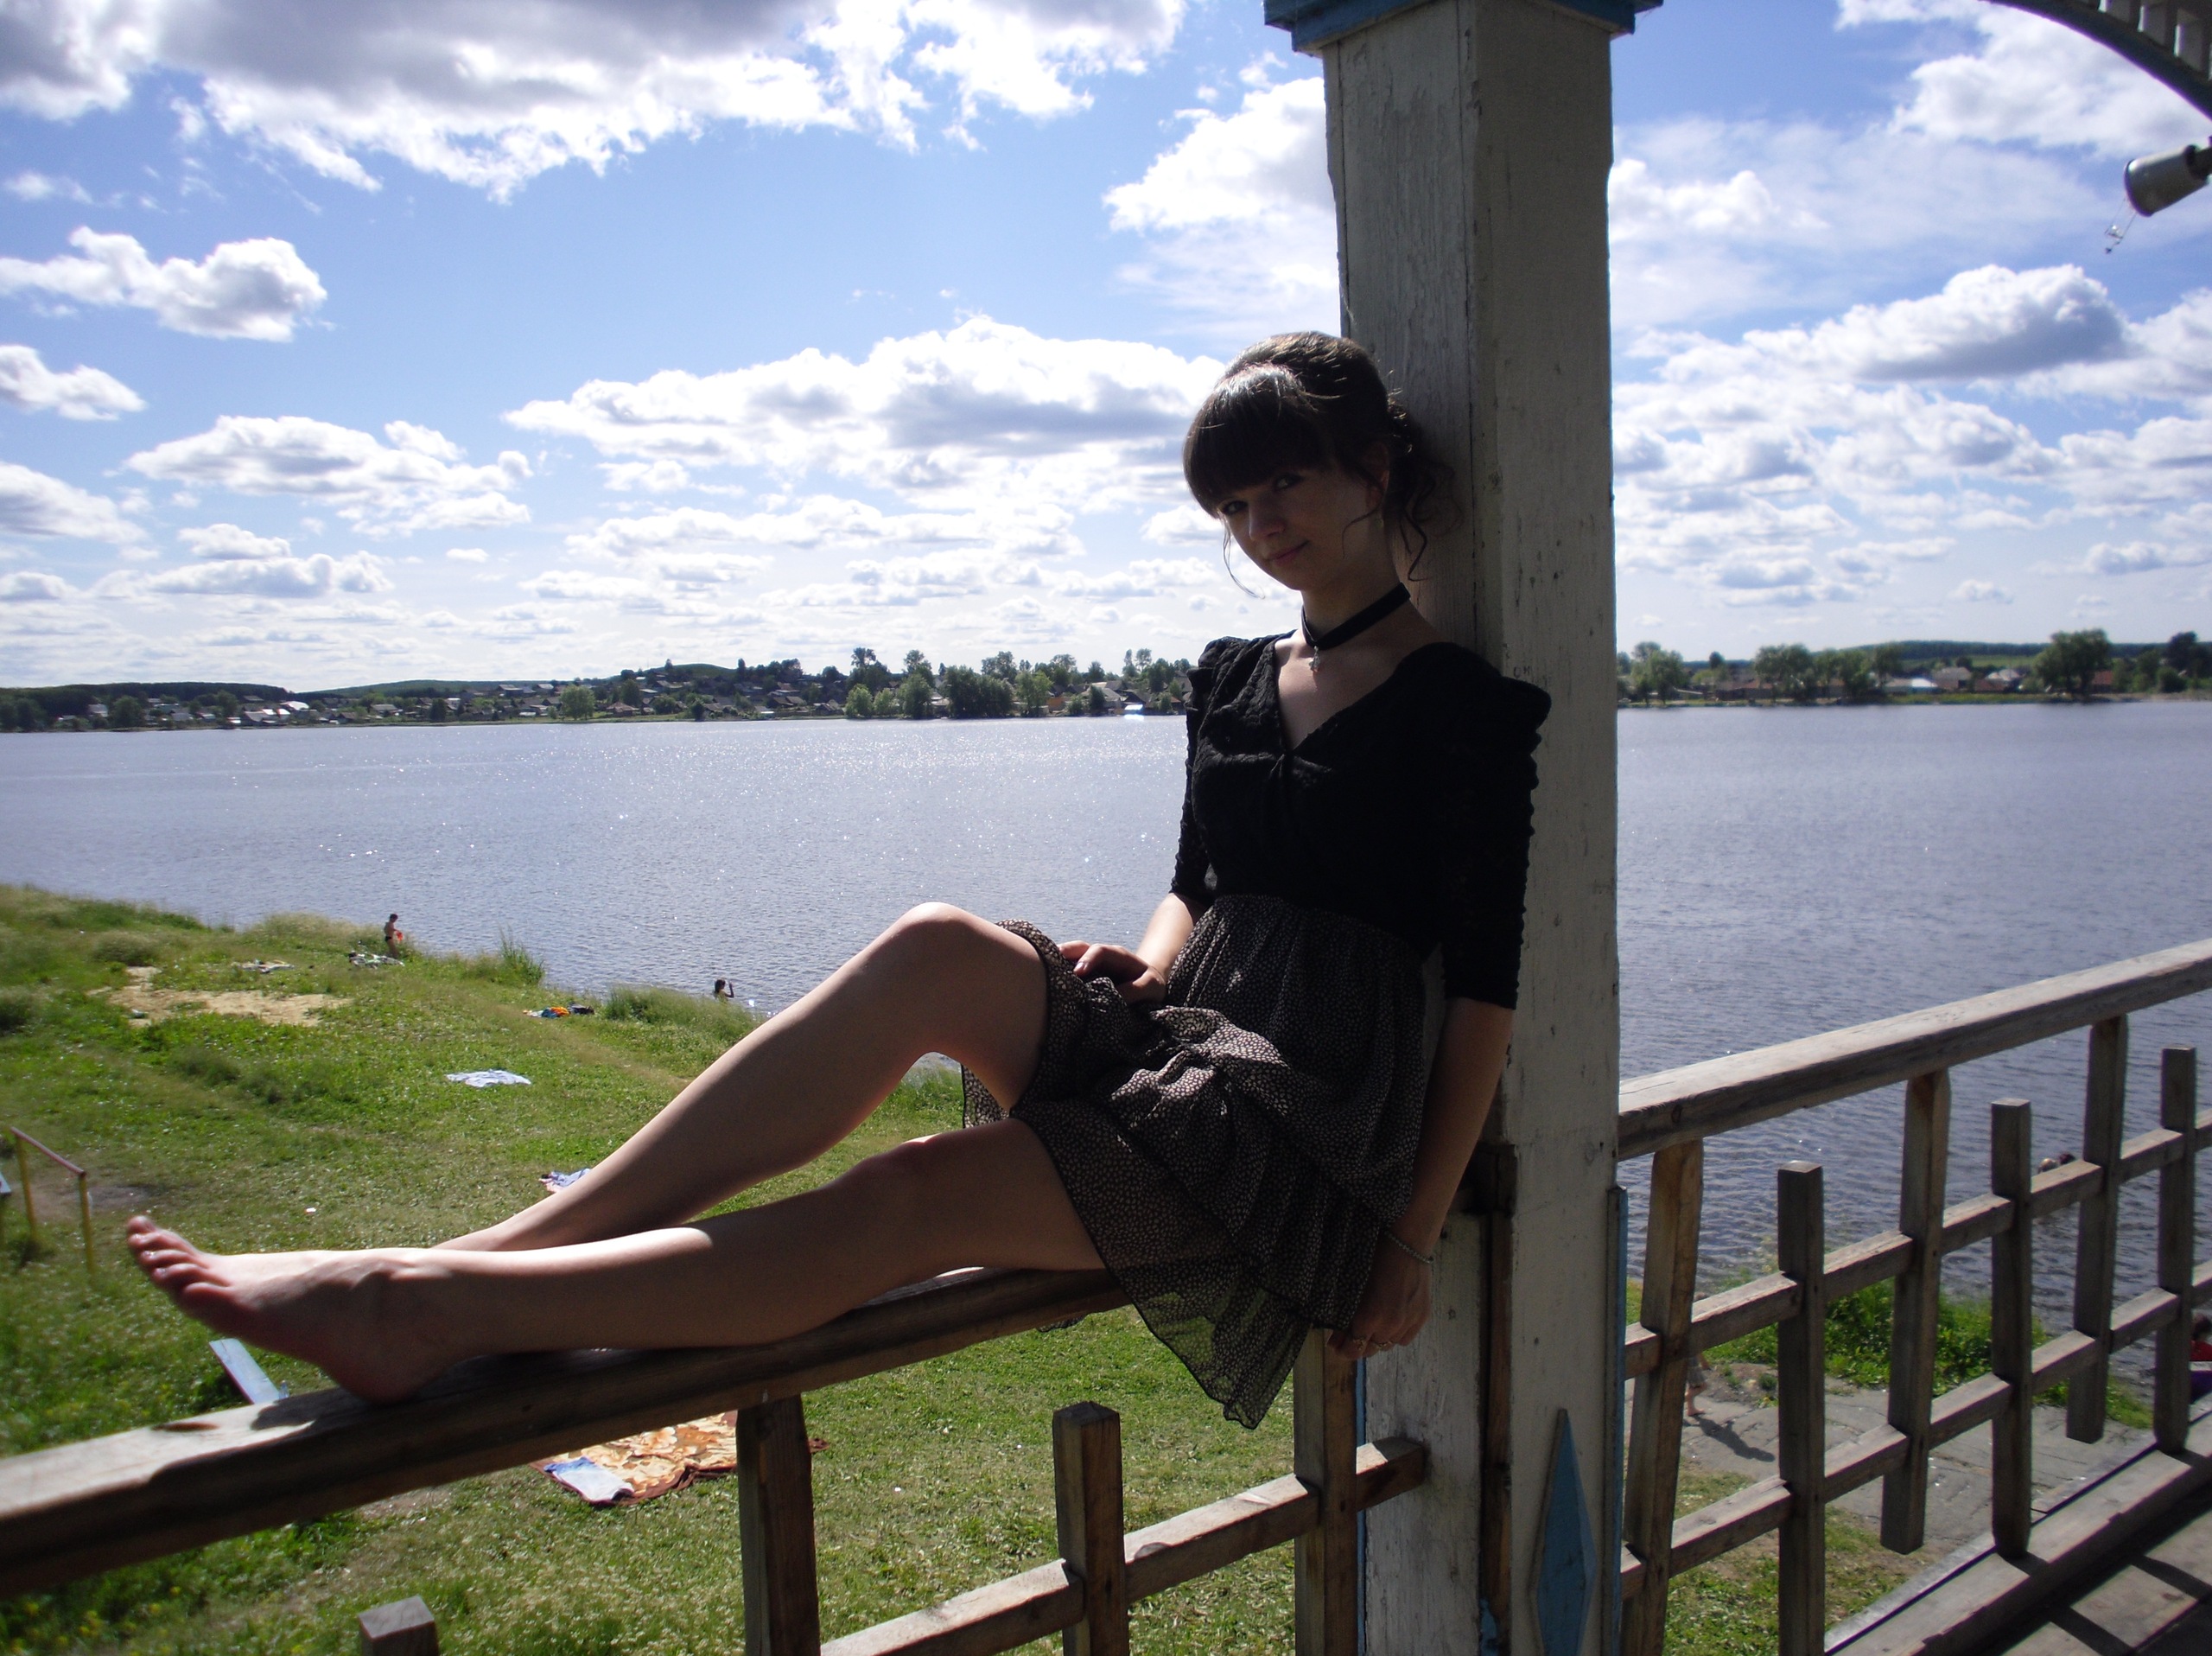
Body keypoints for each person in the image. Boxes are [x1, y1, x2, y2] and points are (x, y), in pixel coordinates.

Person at [126, 332, 1548, 1428]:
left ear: (1372, 470)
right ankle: (481, 1263)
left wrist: (1408, 1237)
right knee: (936, 944)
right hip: (1185, 1033)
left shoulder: (1462, 710)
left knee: (918, 1191)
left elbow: (1485, 994)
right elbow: (1199, 878)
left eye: (1284, 483)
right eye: (1232, 502)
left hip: (1302, 1121)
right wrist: (1155, 958)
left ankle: (424, 1307)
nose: (1259, 522)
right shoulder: (1233, 674)